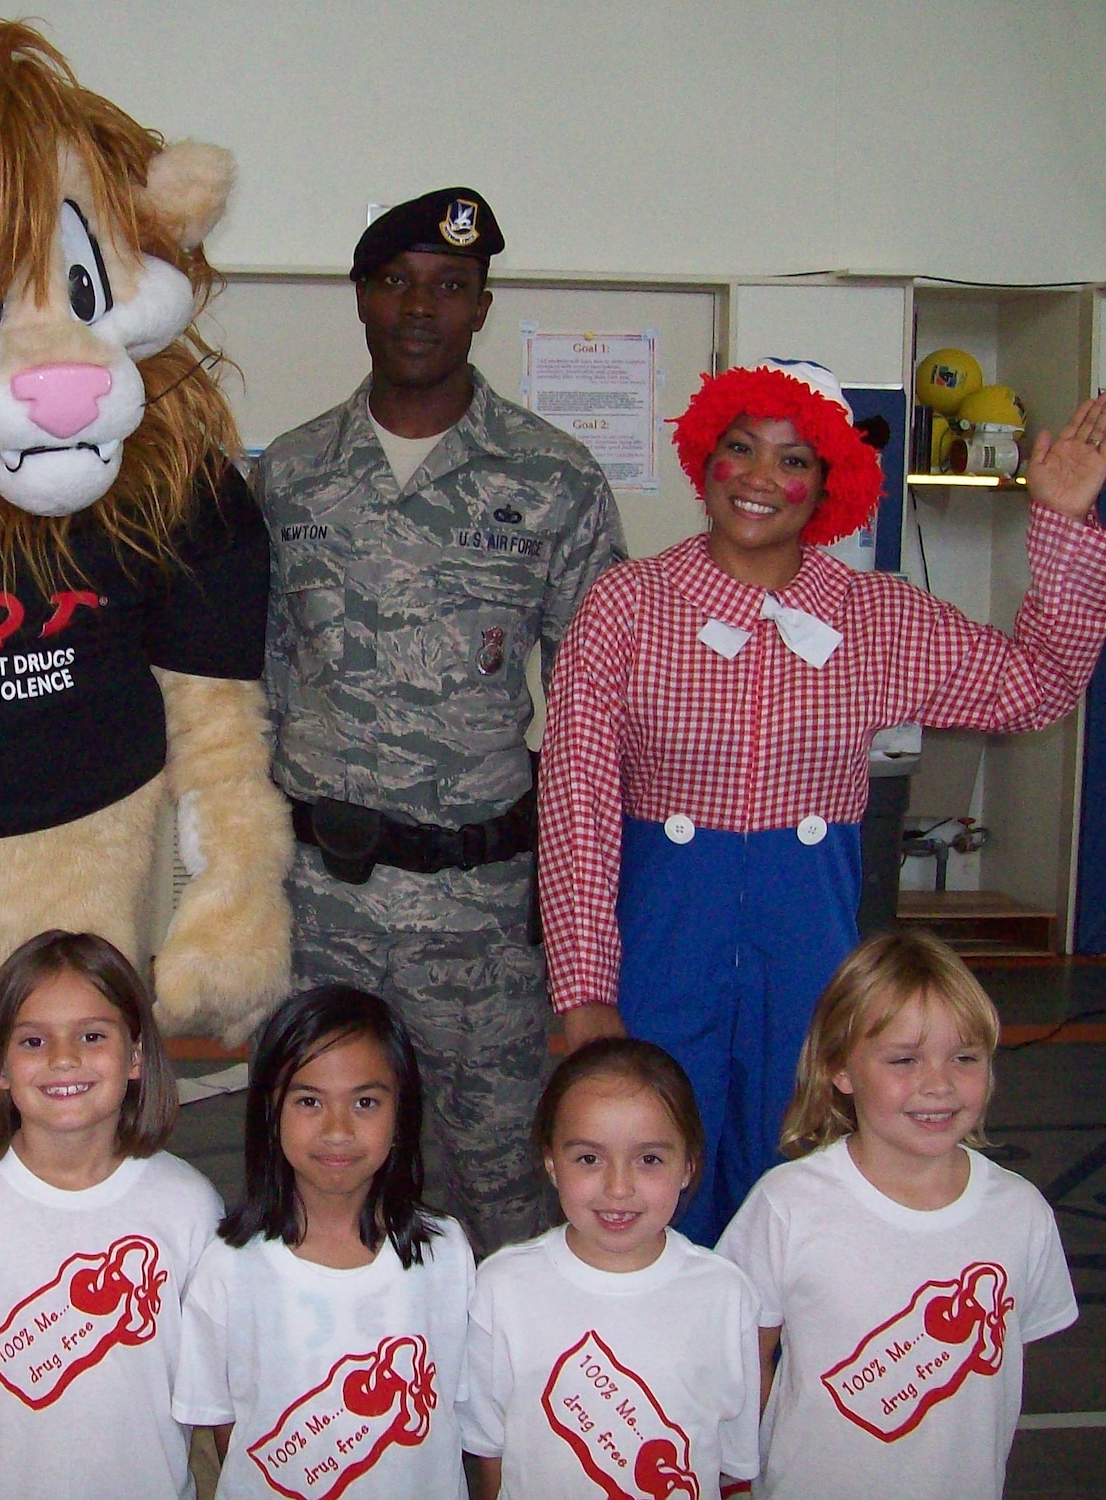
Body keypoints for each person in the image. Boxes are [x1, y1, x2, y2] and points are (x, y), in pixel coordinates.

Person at [540, 366, 1106, 1241]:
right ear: (708, 460)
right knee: (648, 1172)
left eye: (793, 459)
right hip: (661, 941)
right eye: (741, 449)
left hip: (812, 945)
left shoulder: (875, 615)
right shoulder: (629, 604)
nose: (762, 478)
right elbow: (575, 805)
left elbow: (1032, 688)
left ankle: (792, 1368)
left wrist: (1062, 522)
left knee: (799, 1176)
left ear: (827, 483)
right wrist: (583, 988)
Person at [259, 187, 626, 1255]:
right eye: (396, 283)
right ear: (362, 302)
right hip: (323, 908)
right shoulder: (291, 474)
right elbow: (257, 686)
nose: (420, 307)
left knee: (504, 1186)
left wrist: (580, 929)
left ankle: (501, 1415)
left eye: (449, 287)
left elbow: (595, 715)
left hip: (481, 920)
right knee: (321, 1179)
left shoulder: (550, 477)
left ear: (481, 307)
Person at [716, 932, 1076, 1499]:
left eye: (965, 1058)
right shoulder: (788, 1205)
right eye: (904, 1059)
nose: (938, 1084)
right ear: (839, 1068)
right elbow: (741, 1356)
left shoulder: (1020, 1214)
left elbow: (996, 1372)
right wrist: (733, 1478)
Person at [0, 931, 220, 1500]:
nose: (64, 1059)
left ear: (136, 1056)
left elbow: (203, 1374)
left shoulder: (190, 1207)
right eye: (32, 1041)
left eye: (92, 1035)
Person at [173, 984, 476, 1499]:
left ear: (401, 1115)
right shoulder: (228, 1266)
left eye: (365, 1101)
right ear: (271, 1113)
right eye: (310, 1101)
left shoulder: (445, 1252)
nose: (337, 1130)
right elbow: (226, 1429)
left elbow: (459, 1409)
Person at [460, 1038, 759, 1500]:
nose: (618, 1188)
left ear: (688, 1166)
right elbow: (490, 1454)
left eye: (649, 1159)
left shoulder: (725, 1293)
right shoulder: (503, 1288)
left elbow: (733, 1471)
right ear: (551, 1163)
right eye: (589, 1159)